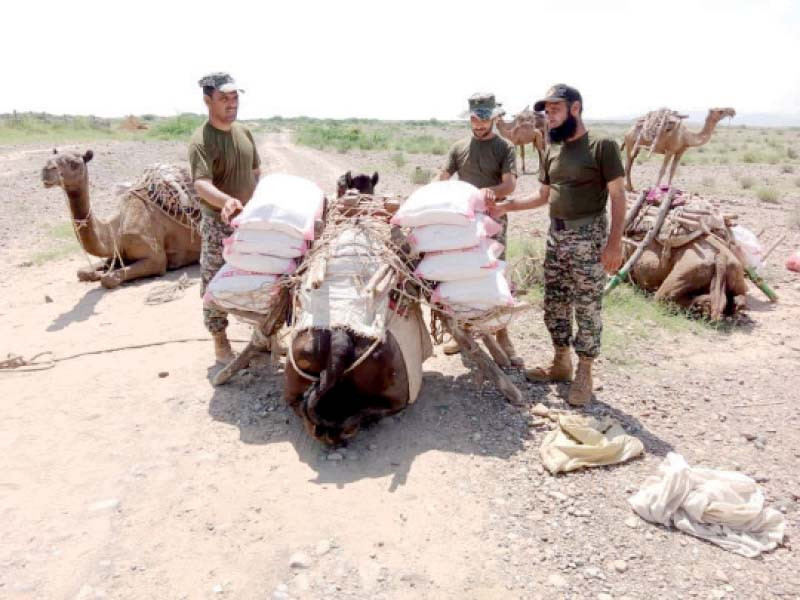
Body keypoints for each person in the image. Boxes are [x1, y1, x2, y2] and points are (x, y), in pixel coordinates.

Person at [488, 84, 626, 406]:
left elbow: (618, 195)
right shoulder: (551, 149)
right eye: (546, 111)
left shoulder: (602, 146)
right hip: (556, 237)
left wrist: (614, 243)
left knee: (587, 307)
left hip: (589, 238)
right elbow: (542, 196)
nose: (548, 117)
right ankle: (561, 362)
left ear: (575, 109)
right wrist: (506, 206)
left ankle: (585, 371)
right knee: (555, 303)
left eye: (555, 110)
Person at [438, 92, 521, 365]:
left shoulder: (505, 147)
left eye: (485, 119)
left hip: (493, 220)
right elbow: (443, 178)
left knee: (495, 275)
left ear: (494, 117)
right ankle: (461, 332)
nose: (480, 124)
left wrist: (489, 192)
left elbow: (509, 185)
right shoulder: (459, 148)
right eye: (475, 119)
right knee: (460, 274)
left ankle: (501, 334)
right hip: (464, 223)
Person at [188, 72, 261, 364]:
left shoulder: (244, 132)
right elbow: (201, 183)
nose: (232, 104)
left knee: (258, 274)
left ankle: (263, 332)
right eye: (223, 99)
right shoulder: (202, 140)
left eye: (234, 98)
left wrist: (260, 201)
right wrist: (226, 201)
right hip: (219, 223)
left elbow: (255, 172)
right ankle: (220, 341)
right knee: (214, 279)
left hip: (249, 220)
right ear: (208, 101)